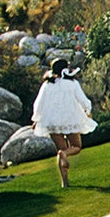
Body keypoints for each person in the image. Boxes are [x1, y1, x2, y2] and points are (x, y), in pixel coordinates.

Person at [31, 58, 96, 189]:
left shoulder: (47, 85)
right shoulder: (72, 83)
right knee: (76, 147)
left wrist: (36, 119)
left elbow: (38, 103)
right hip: (70, 119)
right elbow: (82, 99)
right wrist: (87, 110)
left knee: (60, 149)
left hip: (52, 121)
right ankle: (65, 154)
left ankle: (64, 181)